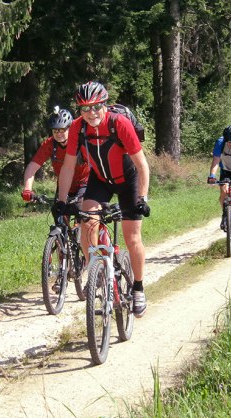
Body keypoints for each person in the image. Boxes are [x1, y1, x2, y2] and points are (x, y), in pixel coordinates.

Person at [54, 81, 151, 318]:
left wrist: (143, 197)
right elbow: (68, 167)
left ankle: (138, 288)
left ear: (104, 105)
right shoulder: (78, 128)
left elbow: (142, 165)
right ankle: (97, 270)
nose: (91, 113)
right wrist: (61, 199)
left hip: (128, 181)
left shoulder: (120, 124)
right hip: (100, 180)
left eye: (96, 107)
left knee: (132, 237)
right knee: (87, 223)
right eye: (85, 108)